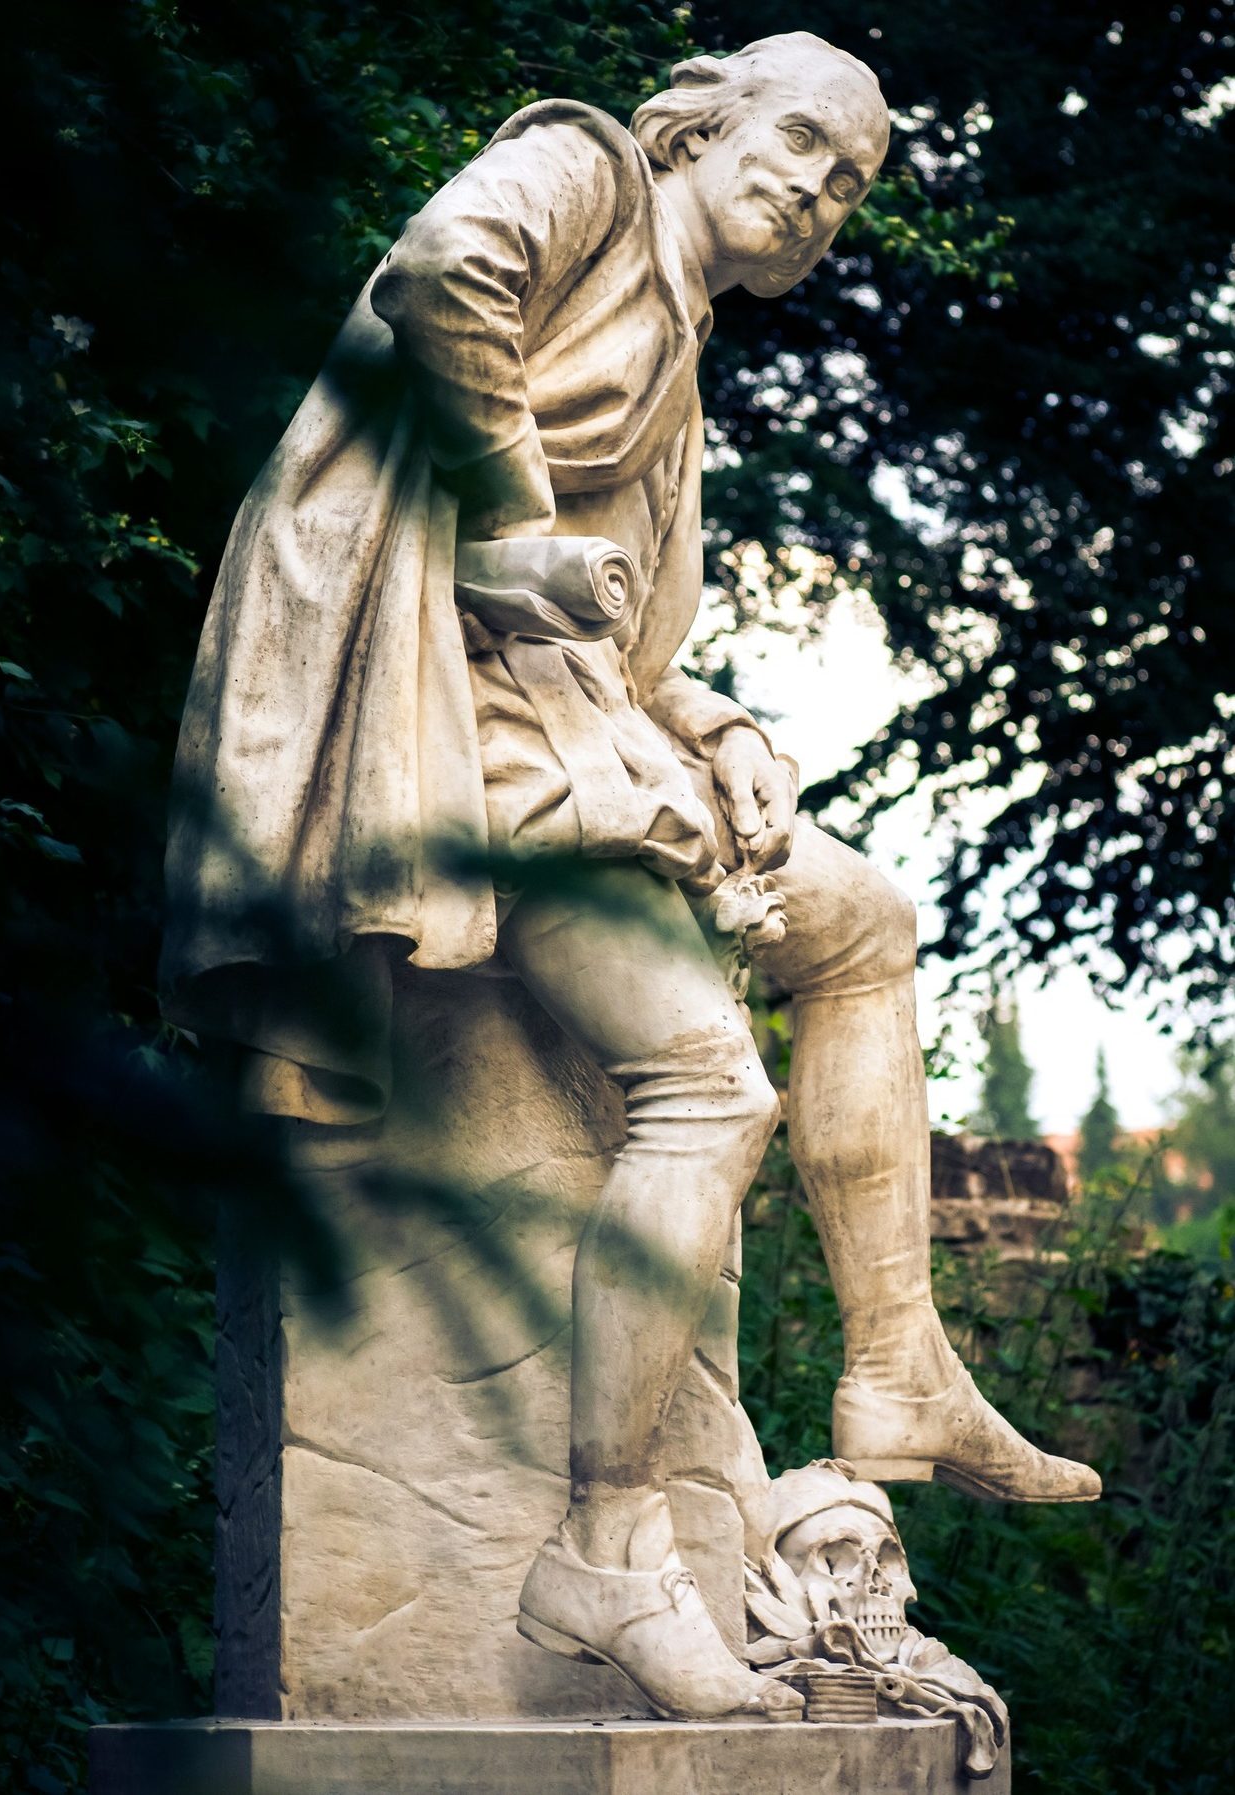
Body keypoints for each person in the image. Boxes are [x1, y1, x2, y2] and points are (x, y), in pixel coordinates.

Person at [162, 32, 1099, 1723]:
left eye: (848, 183)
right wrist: (519, 518)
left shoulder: (679, 359)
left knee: (865, 925)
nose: (816, 191)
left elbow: (626, 642)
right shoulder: (583, 173)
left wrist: (719, 724)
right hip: (443, 728)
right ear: (695, 126)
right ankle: (605, 1545)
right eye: (798, 141)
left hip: (573, 731)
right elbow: (441, 271)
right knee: (706, 1093)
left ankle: (898, 1364)